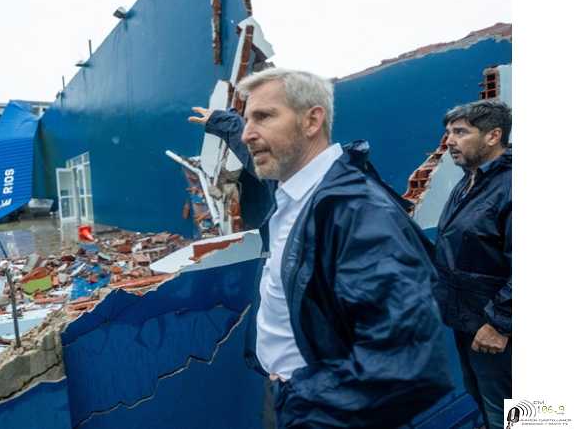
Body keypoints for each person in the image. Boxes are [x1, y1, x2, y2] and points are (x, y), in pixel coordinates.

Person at [188, 68, 453, 428]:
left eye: (264, 116)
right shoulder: (294, 189)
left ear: (312, 120)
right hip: (293, 392)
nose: (249, 133)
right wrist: (223, 123)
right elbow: (248, 141)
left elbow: (412, 360)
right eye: (247, 119)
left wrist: (307, 401)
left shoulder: (354, 212)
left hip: (323, 408)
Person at [433, 100, 512, 429]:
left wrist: (500, 324)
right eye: (448, 132)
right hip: (470, 324)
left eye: (460, 132)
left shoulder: (512, 185)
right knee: (487, 406)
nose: (449, 141)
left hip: (500, 332)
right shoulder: (470, 182)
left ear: (493, 135)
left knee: (523, 413)